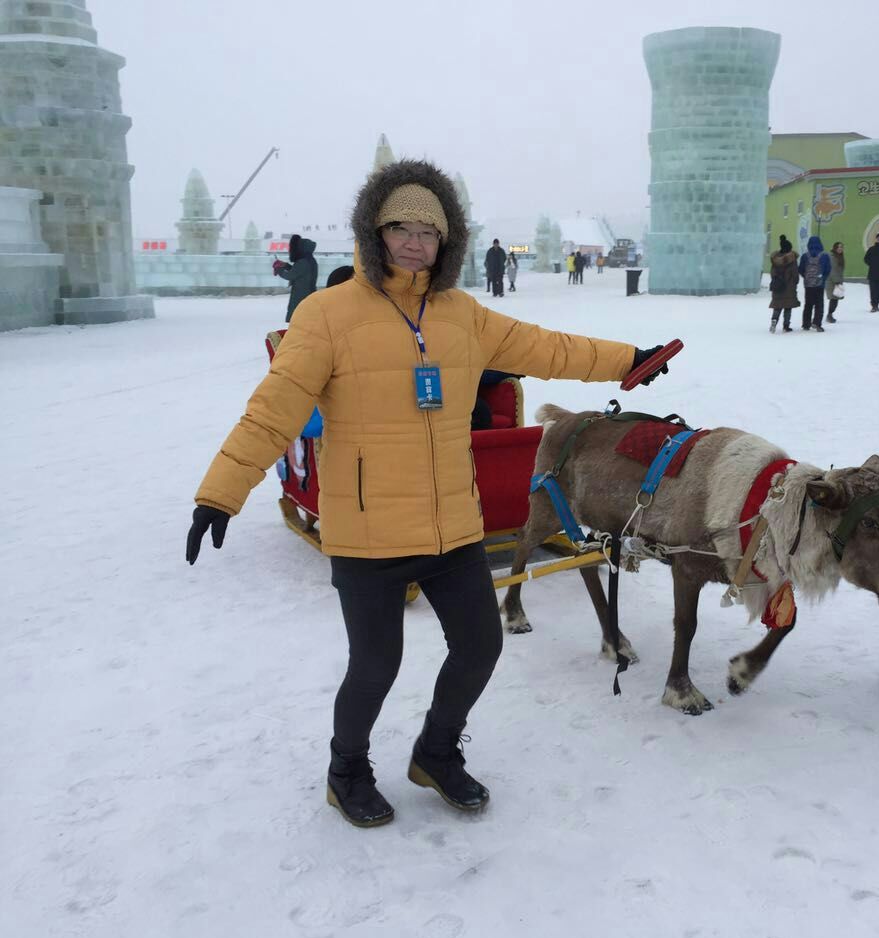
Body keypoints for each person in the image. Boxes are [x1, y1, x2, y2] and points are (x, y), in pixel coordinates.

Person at [185, 158, 673, 828]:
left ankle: (436, 753)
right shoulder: (327, 315)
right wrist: (220, 493)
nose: (414, 242)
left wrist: (628, 360)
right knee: (376, 666)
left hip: (451, 529)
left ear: (446, 242)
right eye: (400, 227)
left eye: (428, 230)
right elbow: (273, 410)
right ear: (375, 231)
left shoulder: (462, 316)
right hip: (368, 533)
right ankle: (346, 770)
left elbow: (547, 349)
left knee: (480, 647)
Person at [272, 234, 318, 323]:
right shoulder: (310, 260)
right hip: (309, 293)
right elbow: (299, 272)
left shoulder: (303, 262)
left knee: (299, 319)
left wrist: (279, 270)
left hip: (301, 295)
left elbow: (291, 275)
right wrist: (286, 265)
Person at [798, 235, 831, 332]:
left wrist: (807, 277)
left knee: (808, 304)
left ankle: (806, 324)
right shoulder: (824, 256)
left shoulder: (805, 256)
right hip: (819, 284)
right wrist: (822, 278)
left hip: (808, 285)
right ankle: (817, 323)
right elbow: (828, 269)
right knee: (819, 304)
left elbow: (801, 269)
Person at [768, 235, 800, 333]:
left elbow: (772, 272)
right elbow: (795, 273)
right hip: (789, 287)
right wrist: (795, 281)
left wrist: (776, 279)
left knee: (777, 306)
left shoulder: (775, 259)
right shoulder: (792, 259)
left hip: (778, 286)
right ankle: (786, 326)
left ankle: (774, 320)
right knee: (787, 307)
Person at [825, 241, 846, 324]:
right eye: (838, 247)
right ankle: (829, 315)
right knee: (833, 299)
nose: (840, 249)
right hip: (832, 281)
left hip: (837, 280)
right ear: (835, 248)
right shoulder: (832, 257)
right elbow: (833, 270)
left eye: (841, 247)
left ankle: (830, 314)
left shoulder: (840, 256)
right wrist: (837, 281)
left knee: (835, 299)